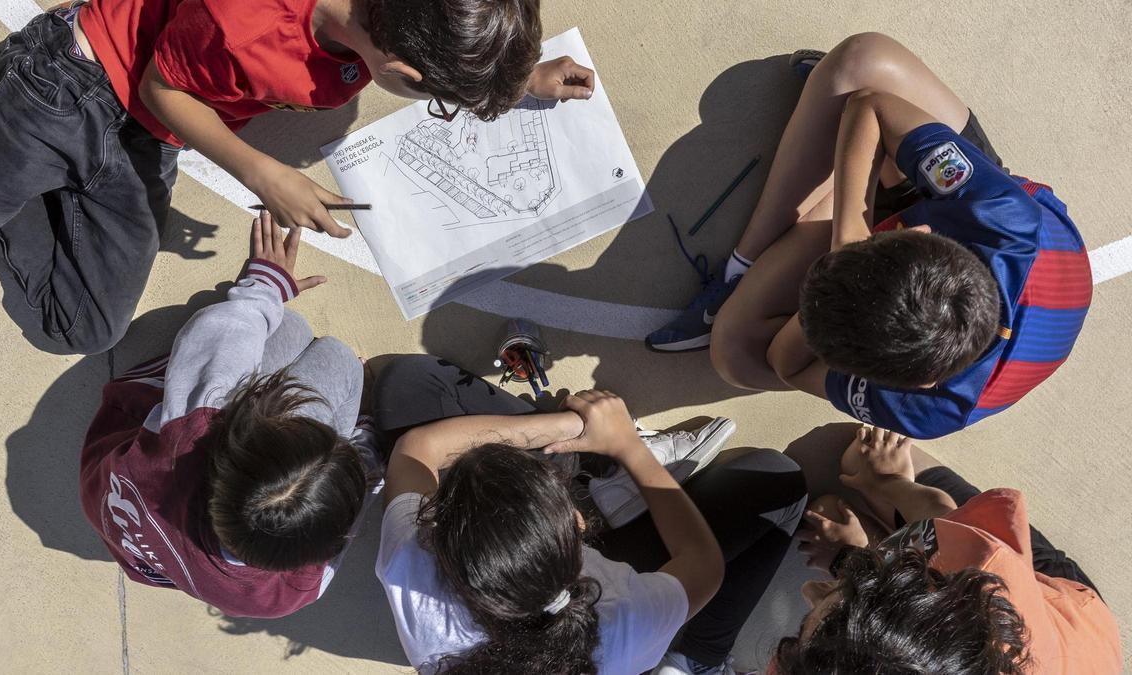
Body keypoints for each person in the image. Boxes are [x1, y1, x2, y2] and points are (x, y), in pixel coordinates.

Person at [0, 0, 594, 354]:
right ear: (405, 71)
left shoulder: (405, 19)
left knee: (85, 326)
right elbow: (164, 89)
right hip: (81, 82)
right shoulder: (247, 20)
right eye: (444, 99)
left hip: (148, 133)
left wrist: (518, 78)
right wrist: (265, 174)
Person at [646, 33, 1091, 439]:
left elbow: (787, 364)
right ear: (917, 232)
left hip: (943, 257)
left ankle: (852, 156)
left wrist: (831, 289)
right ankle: (746, 263)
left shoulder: (927, 410)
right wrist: (847, 233)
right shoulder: (1004, 221)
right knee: (861, 62)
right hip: (989, 219)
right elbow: (871, 103)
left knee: (734, 354)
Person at [372, 355, 808, 674]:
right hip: (610, 595)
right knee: (779, 480)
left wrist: (566, 428)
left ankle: (586, 462)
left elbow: (416, 448)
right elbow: (703, 564)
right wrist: (624, 445)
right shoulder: (628, 621)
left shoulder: (413, 568)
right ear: (579, 523)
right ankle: (697, 660)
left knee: (404, 383)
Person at [80, 211, 381, 618]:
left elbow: (214, 337)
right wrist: (368, 447)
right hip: (113, 509)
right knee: (329, 354)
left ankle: (336, 414)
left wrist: (265, 285)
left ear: (235, 451)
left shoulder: (191, 432)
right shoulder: (286, 595)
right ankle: (341, 408)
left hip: (121, 456)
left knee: (293, 332)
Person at [776, 426, 1121, 673]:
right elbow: (936, 506)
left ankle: (871, 557)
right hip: (1063, 617)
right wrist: (888, 481)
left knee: (810, 481)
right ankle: (881, 531)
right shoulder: (985, 571)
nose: (807, 589)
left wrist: (848, 564)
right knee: (844, 457)